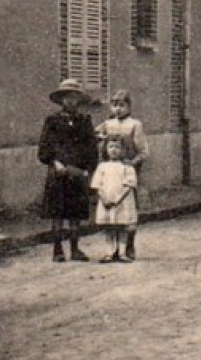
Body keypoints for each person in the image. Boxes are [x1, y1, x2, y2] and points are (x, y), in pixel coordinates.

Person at [38, 78, 100, 262]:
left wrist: (89, 169)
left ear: (79, 100)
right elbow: (44, 148)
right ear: (61, 100)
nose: (70, 101)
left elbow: (91, 148)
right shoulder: (52, 121)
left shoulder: (85, 121)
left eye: (74, 97)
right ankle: (57, 250)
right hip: (58, 172)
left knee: (75, 213)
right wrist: (54, 162)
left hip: (77, 173)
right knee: (57, 212)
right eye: (67, 97)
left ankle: (75, 248)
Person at [96, 89, 149, 259]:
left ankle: (129, 244)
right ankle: (114, 249)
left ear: (129, 106)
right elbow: (96, 137)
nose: (117, 109)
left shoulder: (134, 124)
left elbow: (143, 152)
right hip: (111, 173)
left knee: (129, 210)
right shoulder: (107, 124)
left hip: (128, 171)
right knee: (112, 211)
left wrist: (131, 164)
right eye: (114, 105)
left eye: (121, 105)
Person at [90, 136, 139, 263]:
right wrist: (104, 198)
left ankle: (122, 252)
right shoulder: (102, 166)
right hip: (106, 200)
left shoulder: (127, 167)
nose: (114, 150)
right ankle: (109, 253)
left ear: (123, 150)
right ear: (105, 149)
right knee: (109, 227)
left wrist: (117, 199)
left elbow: (129, 185)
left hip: (123, 201)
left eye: (117, 147)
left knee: (122, 227)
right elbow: (97, 184)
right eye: (111, 147)